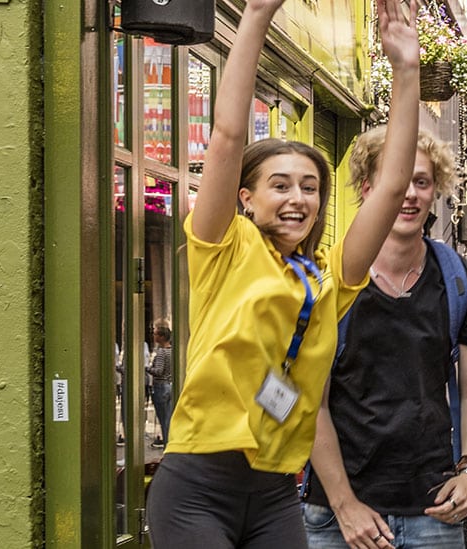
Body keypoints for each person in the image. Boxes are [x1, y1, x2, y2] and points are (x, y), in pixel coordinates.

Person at [143, 0, 422, 546]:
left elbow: (390, 188)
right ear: (245, 197)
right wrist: (255, 15)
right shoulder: (224, 245)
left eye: (311, 186)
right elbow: (225, 137)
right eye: (281, 184)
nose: (298, 198)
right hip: (198, 485)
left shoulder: (325, 279)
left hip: (275, 494)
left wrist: (406, 70)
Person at [299, 127, 467, 549]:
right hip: (337, 514)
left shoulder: (458, 279)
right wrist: (345, 505)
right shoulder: (330, 278)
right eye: (395, 182)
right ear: (369, 189)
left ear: (435, 190)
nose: (409, 195)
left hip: (432, 510)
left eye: (421, 182)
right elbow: (311, 400)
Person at [146, 319, 175, 448]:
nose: (154, 336)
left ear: (162, 337)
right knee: (168, 418)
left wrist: (146, 368)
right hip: (169, 385)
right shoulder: (172, 350)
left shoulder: (162, 352)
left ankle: (167, 445)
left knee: (164, 420)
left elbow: (158, 371)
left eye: (156, 334)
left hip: (161, 387)